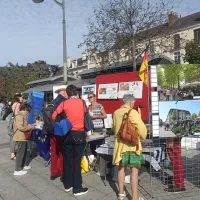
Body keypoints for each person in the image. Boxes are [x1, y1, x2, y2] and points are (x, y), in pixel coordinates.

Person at [52, 85, 88, 196]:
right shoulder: (81, 102)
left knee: (67, 160)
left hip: (67, 134)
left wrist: (63, 122)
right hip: (79, 134)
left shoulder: (64, 103)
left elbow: (53, 116)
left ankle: (68, 185)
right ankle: (77, 188)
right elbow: (85, 113)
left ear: (67, 93)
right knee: (77, 161)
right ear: (76, 92)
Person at [112, 94, 147, 200]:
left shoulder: (116, 112)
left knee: (121, 169)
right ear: (131, 102)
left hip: (120, 147)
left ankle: (121, 194)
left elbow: (114, 128)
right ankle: (135, 197)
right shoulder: (133, 112)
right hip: (132, 147)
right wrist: (143, 137)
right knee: (134, 171)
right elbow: (142, 130)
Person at [49, 85, 68, 181]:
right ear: (64, 92)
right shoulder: (63, 102)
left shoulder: (51, 102)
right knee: (62, 152)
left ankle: (53, 173)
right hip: (60, 131)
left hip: (51, 131)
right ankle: (63, 174)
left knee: (53, 151)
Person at [13, 103, 35, 176]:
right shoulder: (20, 116)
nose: (28, 113)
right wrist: (30, 127)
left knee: (24, 152)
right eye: (28, 111)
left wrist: (29, 126)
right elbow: (20, 127)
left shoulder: (21, 115)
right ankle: (17, 170)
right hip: (20, 137)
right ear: (25, 109)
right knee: (20, 153)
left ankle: (22, 166)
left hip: (22, 137)